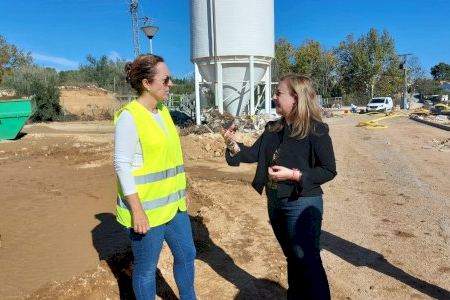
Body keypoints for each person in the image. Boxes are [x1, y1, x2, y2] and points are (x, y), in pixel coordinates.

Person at [222, 74, 337, 300]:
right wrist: (232, 144)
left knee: (308, 262)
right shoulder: (273, 128)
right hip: (275, 201)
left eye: (278, 93)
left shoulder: (317, 130)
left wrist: (294, 175)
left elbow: (328, 170)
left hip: (301, 202)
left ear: (295, 97)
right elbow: (252, 154)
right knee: (292, 258)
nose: (274, 97)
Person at [113, 54, 196, 300]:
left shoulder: (163, 111)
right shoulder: (129, 117)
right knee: (147, 269)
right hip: (147, 211)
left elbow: (172, 159)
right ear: (147, 84)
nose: (171, 83)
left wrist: (184, 190)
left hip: (175, 205)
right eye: (166, 79)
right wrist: (137, 210)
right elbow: (121, 164)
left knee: (187, 255)